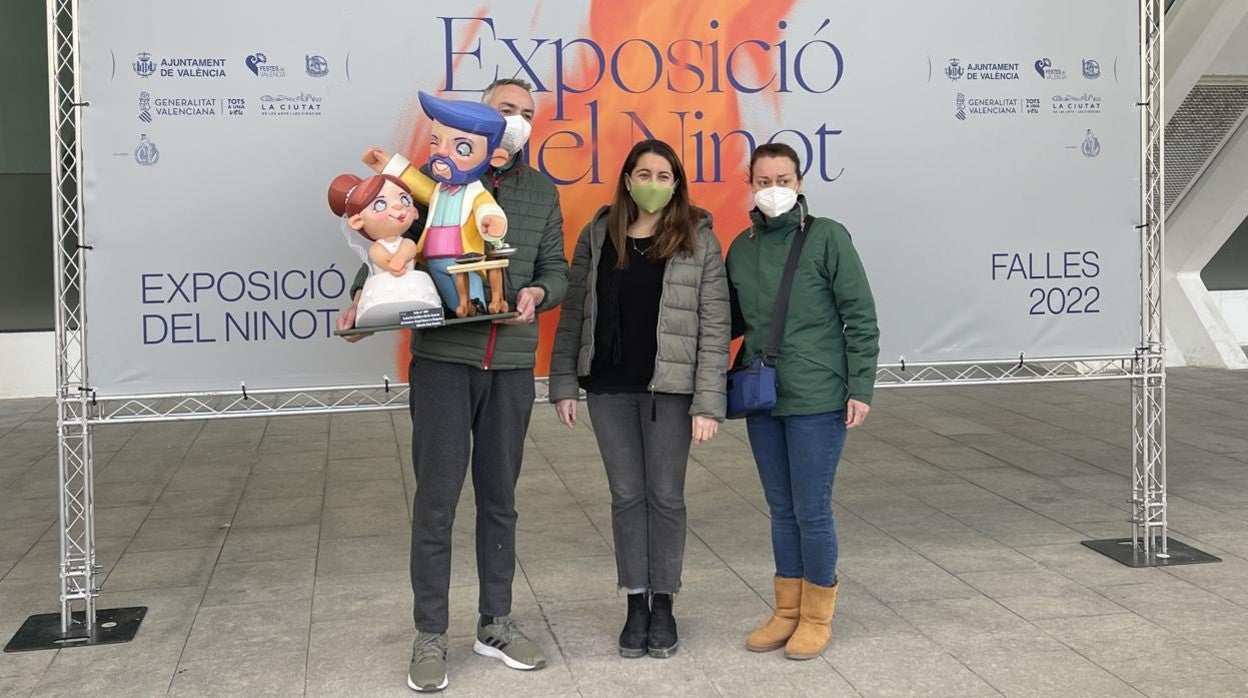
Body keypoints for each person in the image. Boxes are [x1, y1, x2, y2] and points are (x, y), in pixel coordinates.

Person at [338, 78, 568, 693]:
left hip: (512, 365)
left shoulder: (540, 192)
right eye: (503, 111)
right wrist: (361, 306)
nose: (513, 123)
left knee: (501, 500)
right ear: (475, 119)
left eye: (524, 115)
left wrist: (539, 292)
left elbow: (557, 269)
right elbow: (395, 251)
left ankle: (495, 624)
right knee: (436, 501)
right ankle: (430, 633)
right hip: (442, 360)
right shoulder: (432, 188)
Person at [549, 139, 730, 659]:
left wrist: (707, 401)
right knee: (626, 497)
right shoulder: (597, 234)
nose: (653, 182)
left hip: (670, 393)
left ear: (677, 183)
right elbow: (575, 314)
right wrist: (564, 383)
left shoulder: (698, 238)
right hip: (608, 387)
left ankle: (665, 603)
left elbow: (714, 326)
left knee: (665, 497)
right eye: (643, 172)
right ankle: (635, 603)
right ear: (627, 179)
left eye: (664, 174)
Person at [726, 142, 879, 661]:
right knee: (779, 507)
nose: (774, 190)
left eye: (784, 180)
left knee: (811, 508)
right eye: (765, 181)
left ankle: (816, 615)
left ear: (801, 182)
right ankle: (785, 611)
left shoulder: (828, 237)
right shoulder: (741, 247)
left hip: (817, 394)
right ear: (751, 184)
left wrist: (860, 385)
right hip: (763, 396)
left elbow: (859, 315)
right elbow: (727, 322)